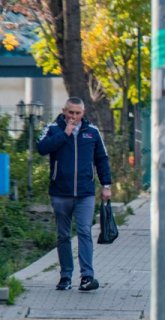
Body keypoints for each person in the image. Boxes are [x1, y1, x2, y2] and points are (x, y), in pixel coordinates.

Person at [37, 97, 112, 291]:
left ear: (83, 113)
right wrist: (65, 134)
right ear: (64, 111)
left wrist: (106, 185)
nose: (74, 116)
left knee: (84, 232)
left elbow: (102, 159)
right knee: (63, 235)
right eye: (71, 112)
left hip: (85, 193)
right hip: (60, 192)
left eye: (78, 113)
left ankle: (87, 276)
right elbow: (42, 148)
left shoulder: (92, 132)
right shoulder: (53, 128)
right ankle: (65, 276)